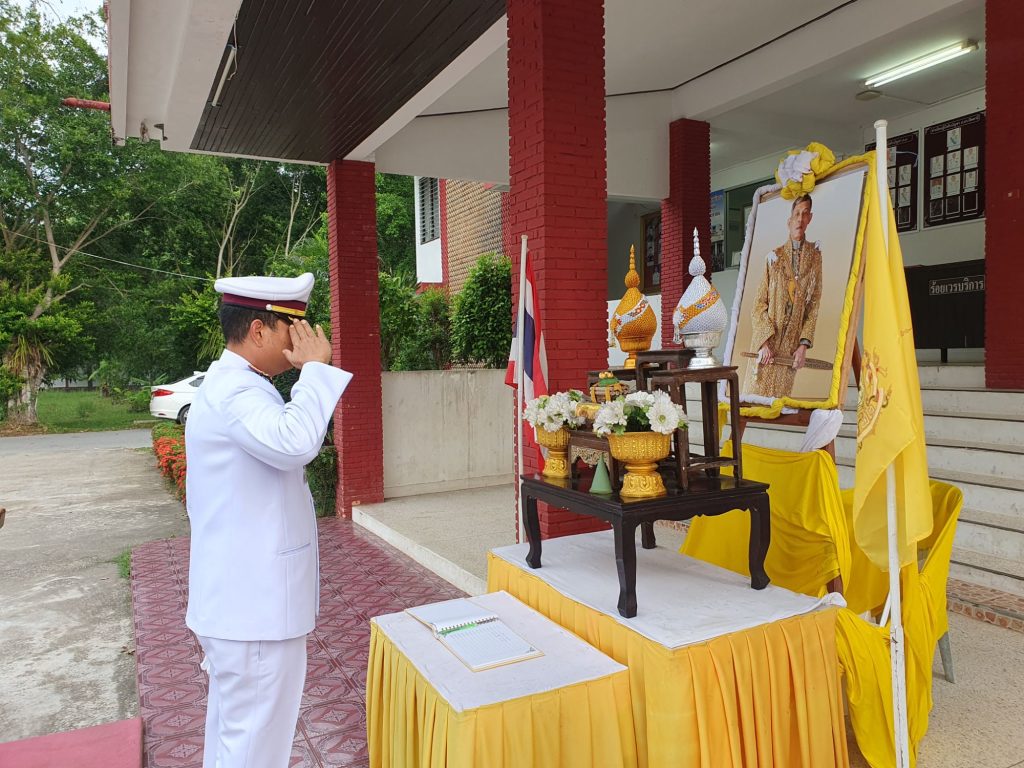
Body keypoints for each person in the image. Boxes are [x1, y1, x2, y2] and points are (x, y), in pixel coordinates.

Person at [185, 272, 352, 768]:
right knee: (254, 749)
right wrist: (315, 370)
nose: (300, 339)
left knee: (236, 741)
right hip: (252, 609)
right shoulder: (237, 392)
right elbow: (294, 443)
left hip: (244, 604)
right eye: (291, 328)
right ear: (258, 330)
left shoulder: (239, 385)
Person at [745, 194, 823, 399]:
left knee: (780, 404)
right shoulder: (774, 258)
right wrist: (763, 343)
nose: (800, 219)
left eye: (804, 214)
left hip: (790, 350)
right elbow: (758, 304)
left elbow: (813, 304)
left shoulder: (815, 257)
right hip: (766, 347)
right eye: (796, 214)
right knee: (754, 402)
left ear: (810, 218)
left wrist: (803, 346)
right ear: (789, 221)